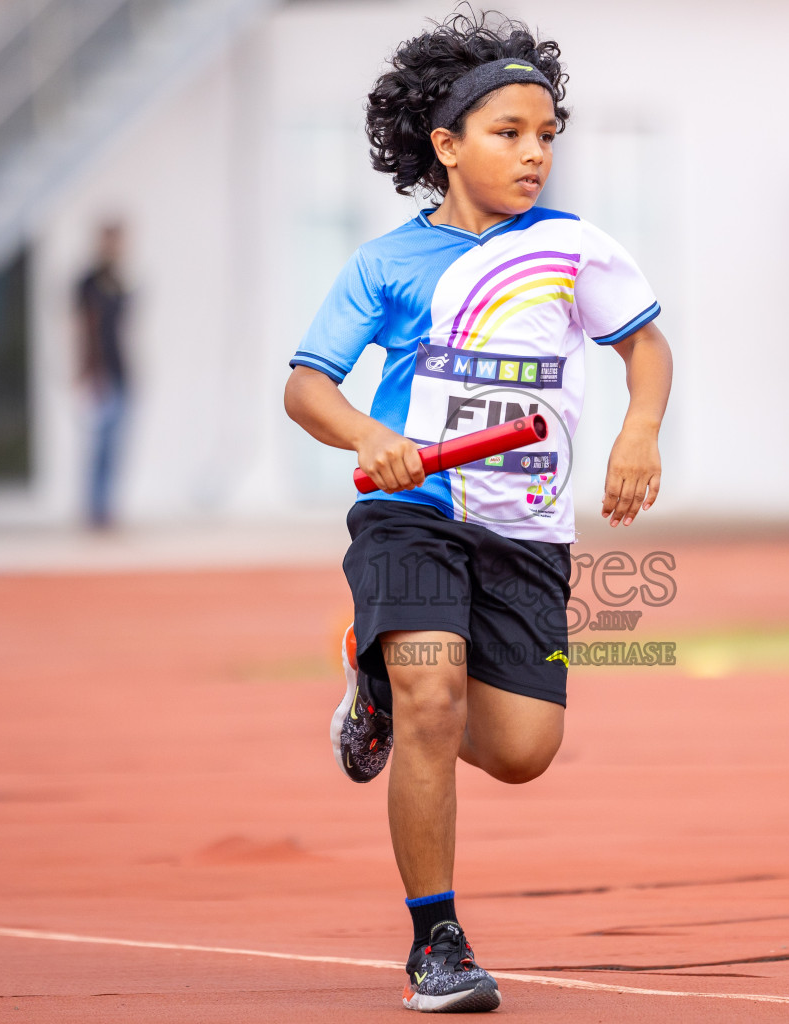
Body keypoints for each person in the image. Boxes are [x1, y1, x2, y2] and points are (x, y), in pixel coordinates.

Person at [283, 12, 672, 1012]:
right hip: (412, 513)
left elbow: (646, 348)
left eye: (547, 133)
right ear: (446, 145)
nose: (535, 152)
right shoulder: (386, 265)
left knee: (521, 749)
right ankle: (437, 942)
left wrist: (640, 433)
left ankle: (371, 679)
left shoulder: (575, 249)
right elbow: (307, 387)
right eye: (509, 132)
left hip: (528, 531)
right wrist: (368, 432)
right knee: (435, 693)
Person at [75, 221, 130, 529]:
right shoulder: (89, 282)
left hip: (121, 371)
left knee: (115, 446)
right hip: (102, 373)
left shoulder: (119, 280)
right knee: (100, 445)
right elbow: (85, 329)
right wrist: (88, 371)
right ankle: (95, 510)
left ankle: (106, 508)